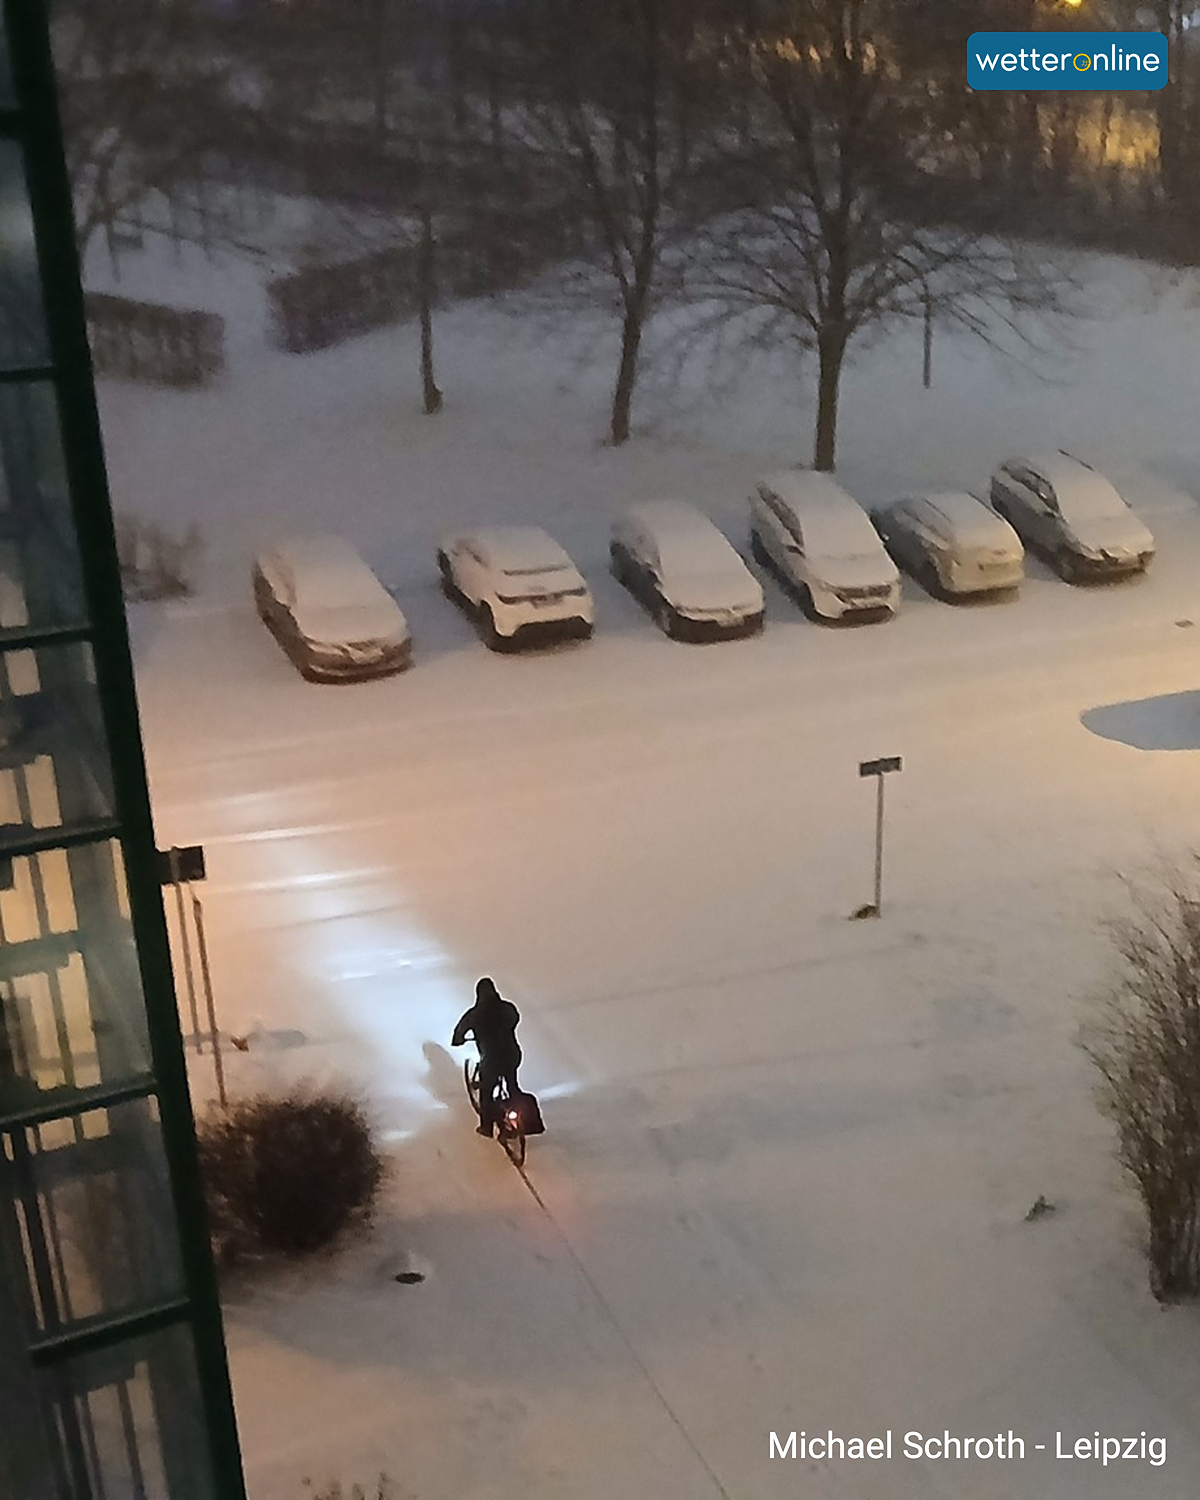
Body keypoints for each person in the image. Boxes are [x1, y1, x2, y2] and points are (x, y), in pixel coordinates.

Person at [451, 977, 522, 1137]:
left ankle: (487, 1127)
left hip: (491, 1060)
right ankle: (520, 1117)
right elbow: (516, 1018)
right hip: (512, 1055)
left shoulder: (474, 1014)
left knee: (487, 1093)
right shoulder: (507, 1007)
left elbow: (459, 1032)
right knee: (513, 1086)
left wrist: (458, 1040)